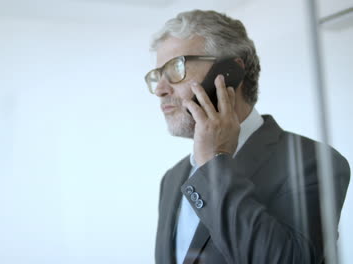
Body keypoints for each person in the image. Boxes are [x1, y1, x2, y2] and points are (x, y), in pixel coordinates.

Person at [145, 10, 350, 264]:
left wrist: (213, 162)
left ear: (230, 71)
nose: (161, 90)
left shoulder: (314, 161)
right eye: (156, 77)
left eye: (176, 68)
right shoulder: (172, 178)